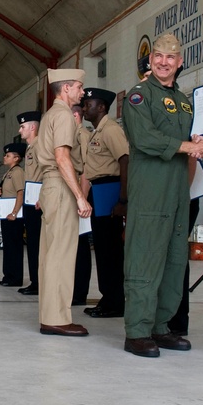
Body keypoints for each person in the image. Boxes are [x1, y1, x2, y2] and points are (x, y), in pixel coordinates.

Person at [121, 34, 203, 358]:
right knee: (145, 259)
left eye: (170, 57)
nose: (163, 61)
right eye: (157, 56)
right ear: (151, 60)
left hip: (177, 192)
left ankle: (160, 327)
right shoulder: (138, 96)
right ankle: (137, 332)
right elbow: (145, 138)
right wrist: (188, 146)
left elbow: (184, 139)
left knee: (174, 261)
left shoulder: (185, 101)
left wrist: (198, 141)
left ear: (180, 61)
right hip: (150, 191)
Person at [33, 69, 92, 336]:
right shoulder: (65, 116)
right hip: (61, 185)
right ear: (66, 88)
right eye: (80, 87)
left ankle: (51, 314)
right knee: (61, 253)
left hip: (51, 185)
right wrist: (80, 196)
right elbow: (62, 158)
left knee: (51, 252)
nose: (83, 92)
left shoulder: (50, 115)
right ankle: (56, 318)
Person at [81, 87, 129, 318]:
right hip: (99, 190)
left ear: (101, 107)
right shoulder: (96, 131)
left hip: (110, 189)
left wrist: (122, 199)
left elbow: (125, 161)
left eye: (88, 104)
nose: (83, 108)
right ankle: (108, 297)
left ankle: (115, 301)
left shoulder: (110, 130)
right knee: (101, 247)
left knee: (110, 249)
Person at [16, 111, 42, 296]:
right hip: (30, 199)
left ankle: (39, 281)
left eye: (23, 126)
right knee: (32, 243)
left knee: (38, 244)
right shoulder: (30, 148)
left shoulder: (40, 145)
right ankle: (35, 280)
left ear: (33, 127)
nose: (20, 130)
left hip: (38, 201)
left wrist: (43, 196)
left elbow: (49, 171)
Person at [0, 143, 27, 287]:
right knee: (8, 246)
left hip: (13, 216)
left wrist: (14, 212)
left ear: (16, 158)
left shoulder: (18, 172)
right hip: (6, 214)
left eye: (7, 155)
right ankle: (8, 275)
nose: (5, 157)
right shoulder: (8, 172)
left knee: (14, 247)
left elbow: (20, 193)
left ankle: (15, 277)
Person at [71, 104, 93, 307]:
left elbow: (87, 167)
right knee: (72, 245)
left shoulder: (82, 135)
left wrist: (83, 198)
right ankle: (73, 290)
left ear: (75, 115)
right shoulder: (71, 135)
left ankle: (79, 293)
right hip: (73, 194)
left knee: (80, 246)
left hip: (81, 195)